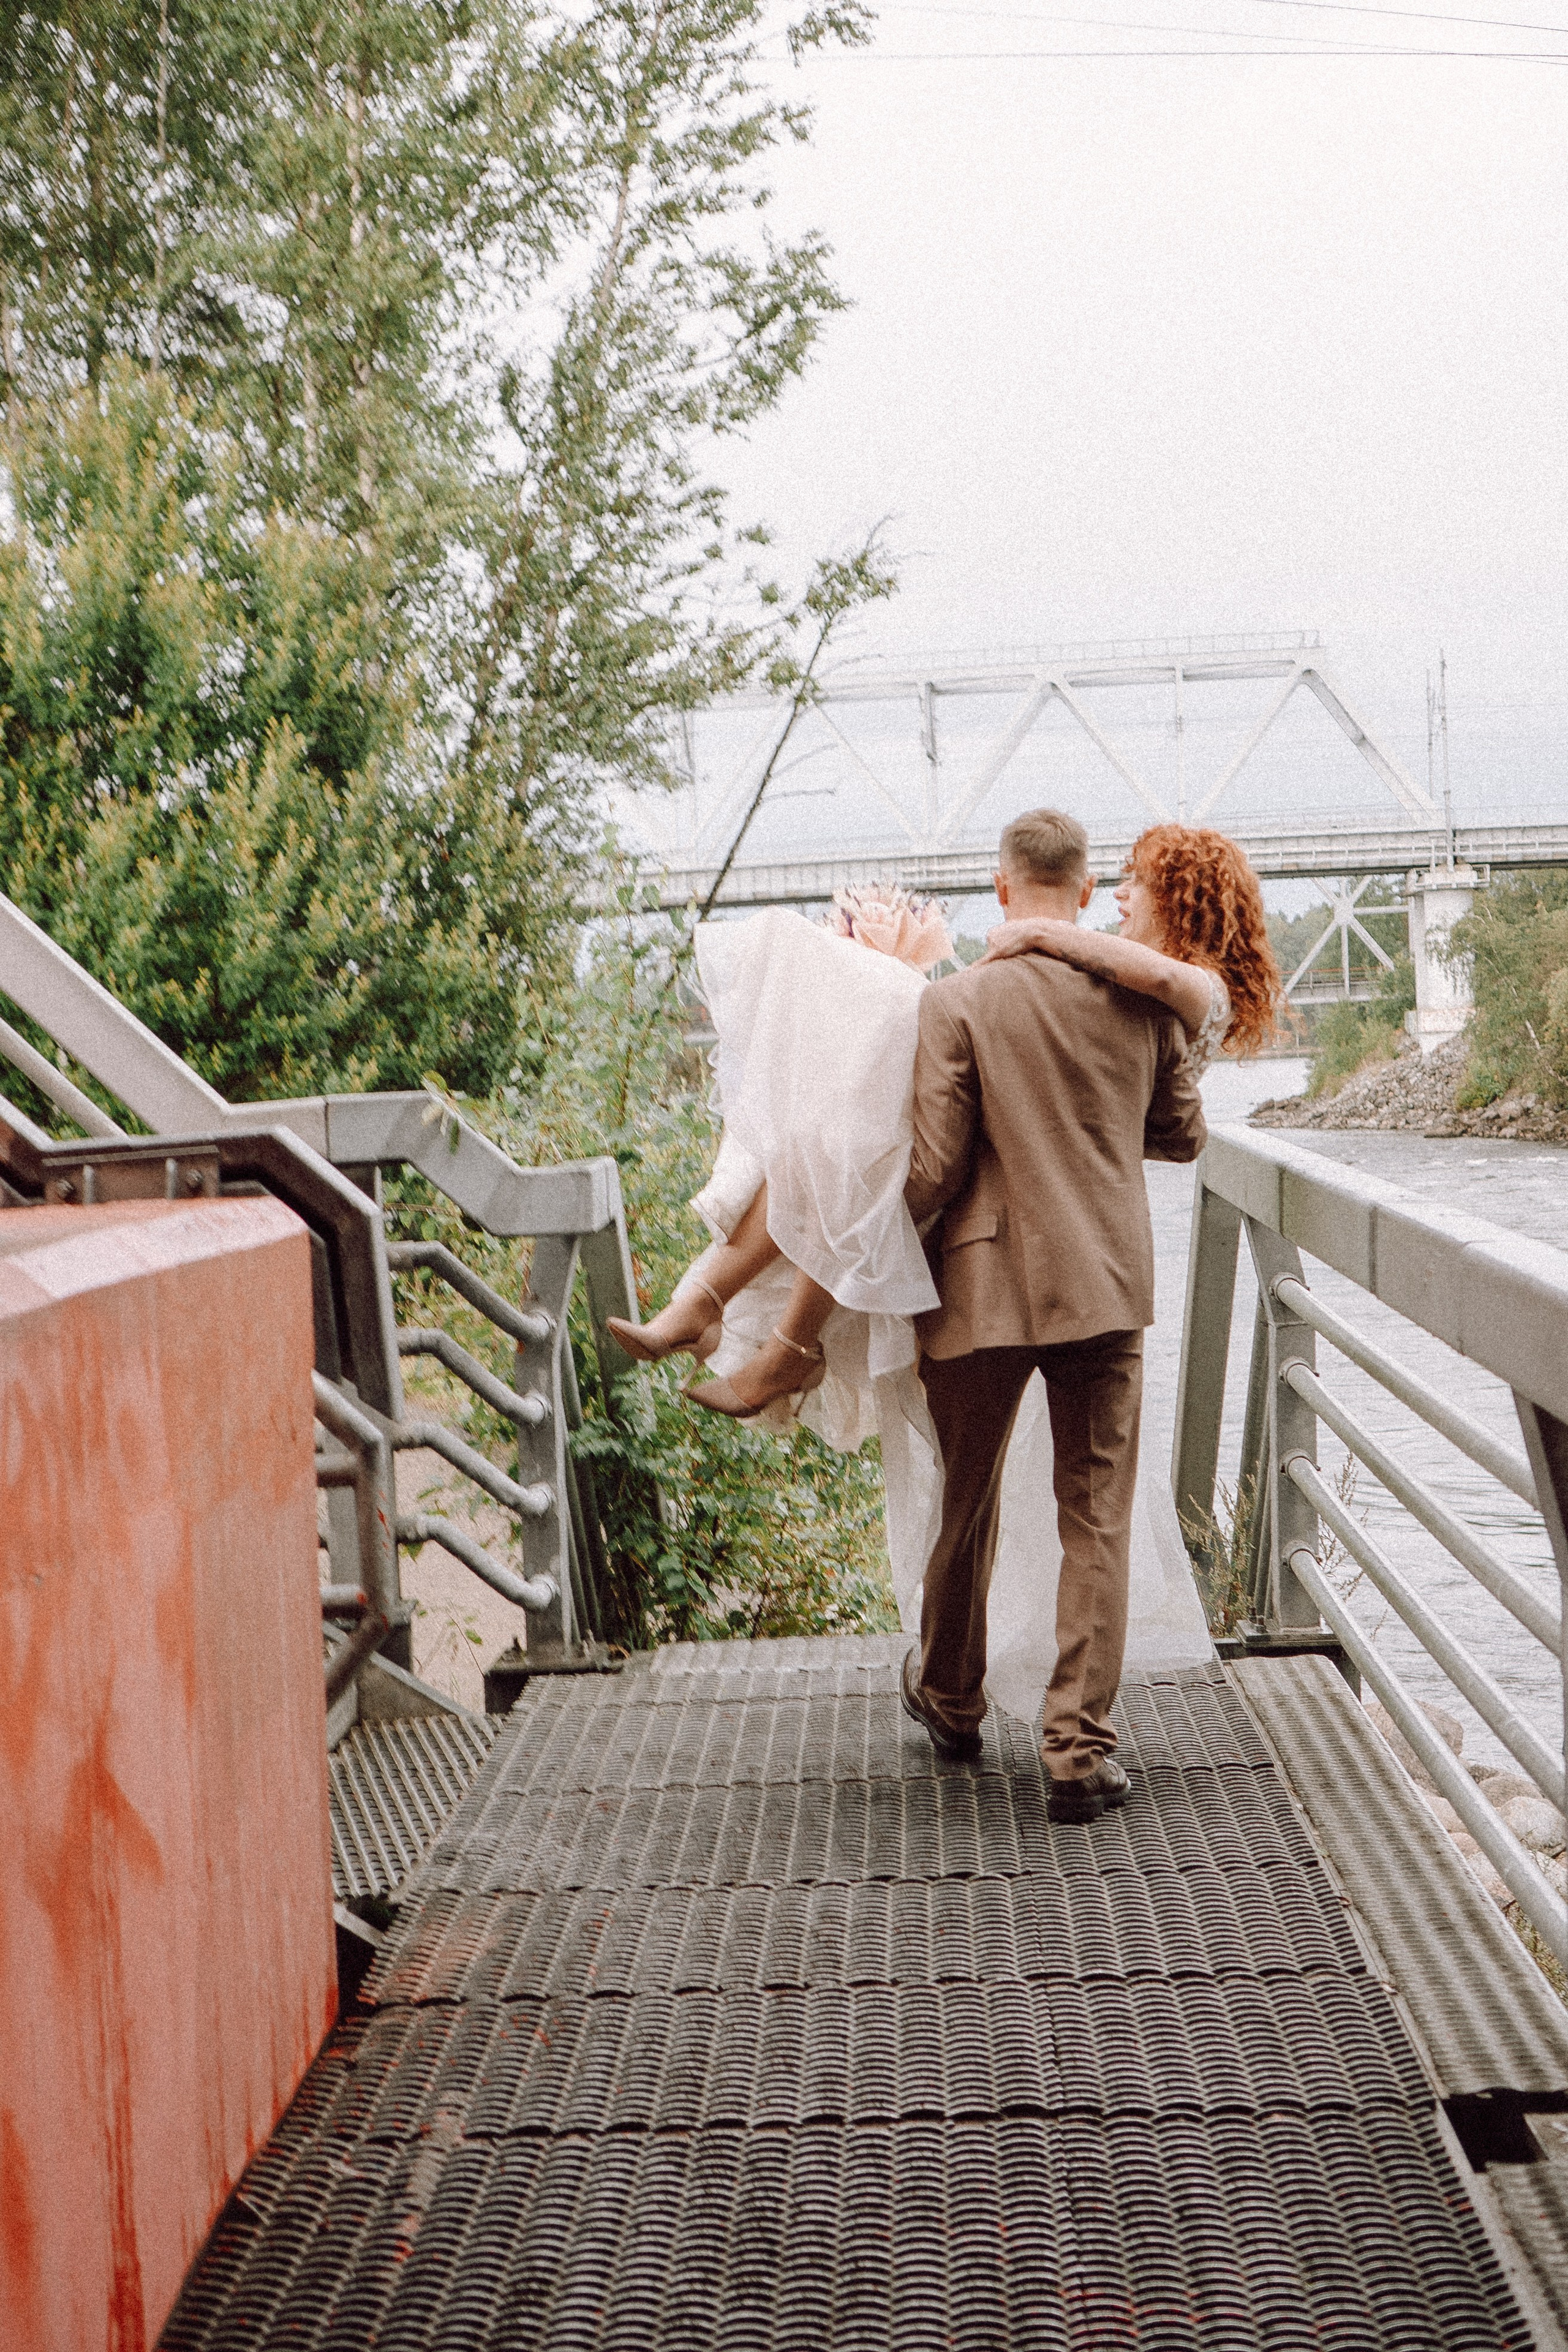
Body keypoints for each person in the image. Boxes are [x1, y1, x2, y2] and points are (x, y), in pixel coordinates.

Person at [894, 809, 1208, 1821]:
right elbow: (1183, 1135)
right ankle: (1076, 1749)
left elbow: (934, 1168)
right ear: (1084, 893)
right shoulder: (1143, 1001)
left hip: (979, 1282)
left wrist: (859, 1235)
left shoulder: (956, 1002)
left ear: (1001, 890)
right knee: (1096, 1515)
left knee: (965, 1500)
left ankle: (952, 1700)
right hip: (1105, 1282)